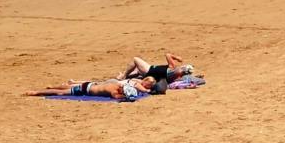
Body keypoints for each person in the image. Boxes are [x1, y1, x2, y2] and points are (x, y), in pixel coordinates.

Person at [26, 75, 158, 101]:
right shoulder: (114, 92)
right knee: (58, 93)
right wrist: (128, 98)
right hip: (84, 90)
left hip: (89, 85)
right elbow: (119, 97)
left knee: (63, 87)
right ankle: (36, 92)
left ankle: (43, 88)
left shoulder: (117, 85)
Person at [122, 53, 194, 85]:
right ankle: (125, 76)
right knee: (137, 71)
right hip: (151, 77)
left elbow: (167, 55)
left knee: (136, 59)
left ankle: (124, 76)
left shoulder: (173, 67)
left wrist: (177, 58)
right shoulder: (177, 78)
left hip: (149, 70)